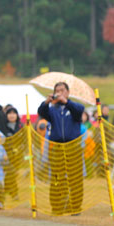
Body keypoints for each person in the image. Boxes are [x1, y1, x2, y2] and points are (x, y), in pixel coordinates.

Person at [37, 81, 84, 215]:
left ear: (68, 92)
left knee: (75, 178)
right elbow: (41, 112)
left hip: (73, 147)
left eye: (62, 90)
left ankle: (75, 207)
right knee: (57, 178)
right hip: (57, 147)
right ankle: (57, 207)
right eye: (57, 90)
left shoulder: (74, 107)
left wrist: (66, 102)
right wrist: (46, 102)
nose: (60, 92)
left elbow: (79, 111)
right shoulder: (52, 110)